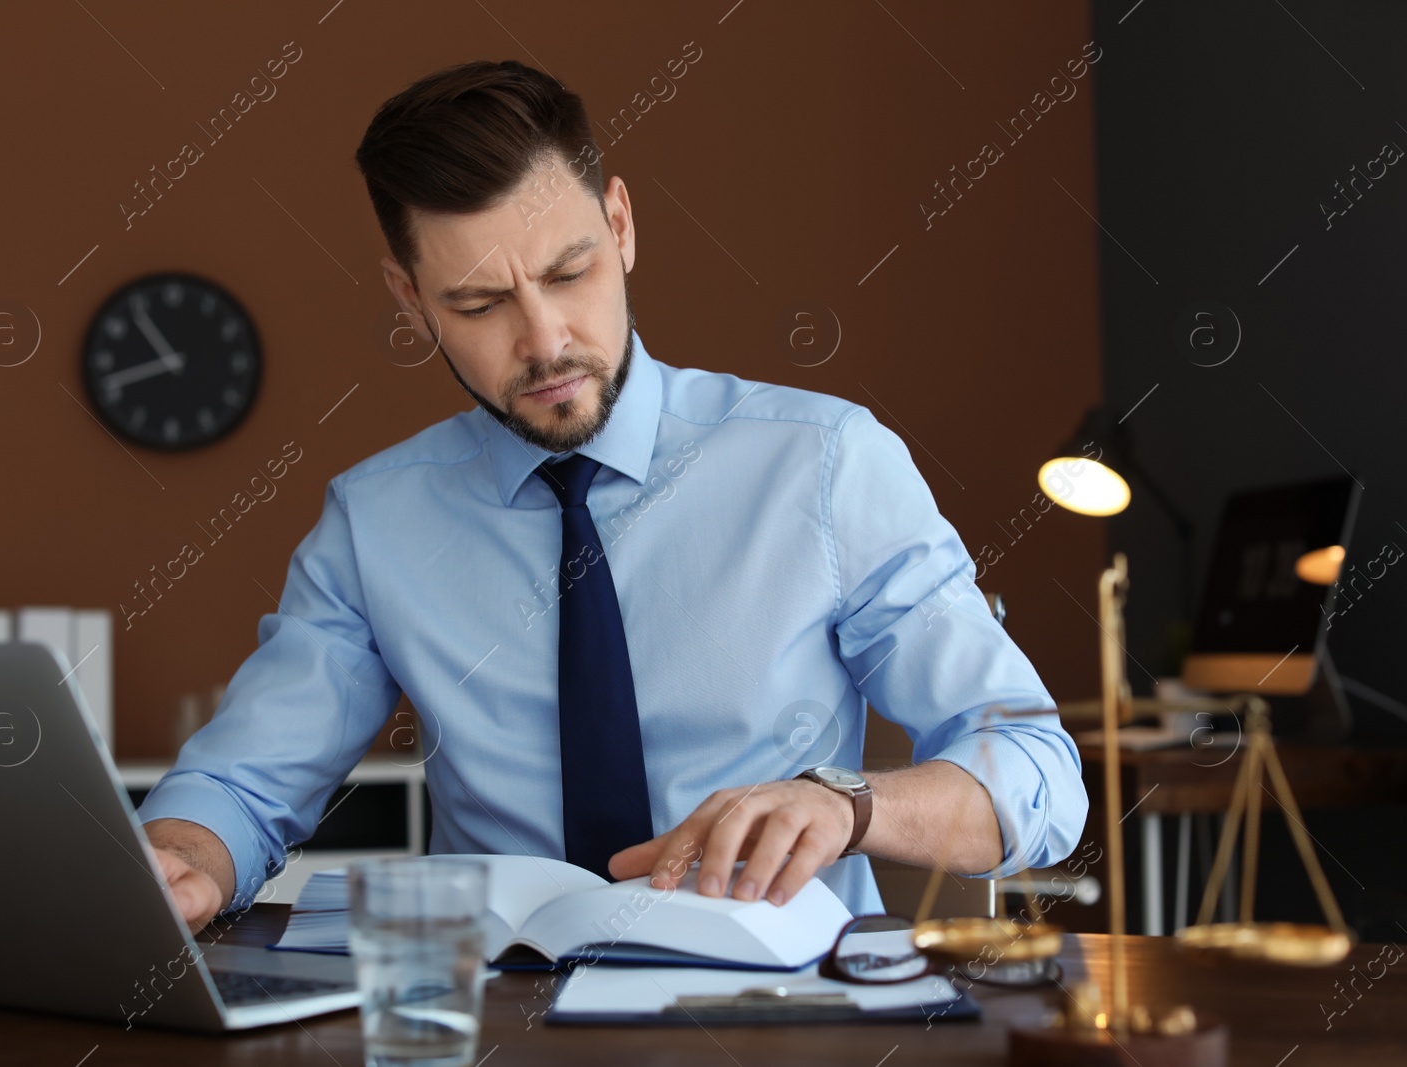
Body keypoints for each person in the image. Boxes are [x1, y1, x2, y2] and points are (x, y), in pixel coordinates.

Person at [139, 59, 1088, 933]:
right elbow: (244, 781)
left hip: (776, 1017)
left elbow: (1040, 774)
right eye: (478, 304)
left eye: (569, 271)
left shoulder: (825, 463)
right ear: (410, 299)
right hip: (501, 1019)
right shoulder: (374, 522)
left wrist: (849, 804)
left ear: (622, 225)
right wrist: (183, 857)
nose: (545, 341)